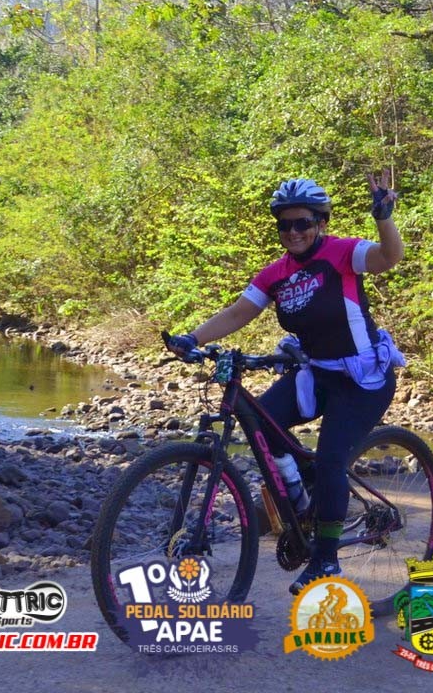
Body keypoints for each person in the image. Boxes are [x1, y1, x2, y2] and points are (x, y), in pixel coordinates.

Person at [167, 174, 405, 594]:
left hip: (362, 379)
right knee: (262, 420)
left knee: (330, 460)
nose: (293, 232)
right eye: (285, 224)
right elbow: (238, 312)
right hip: (318, 373)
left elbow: (389, 257)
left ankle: (326, 560)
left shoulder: (342, 253)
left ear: (321, 223)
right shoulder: (276, 274)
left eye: (303, 223)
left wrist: (383, 217)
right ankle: (302, 495)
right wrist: (193, 338)